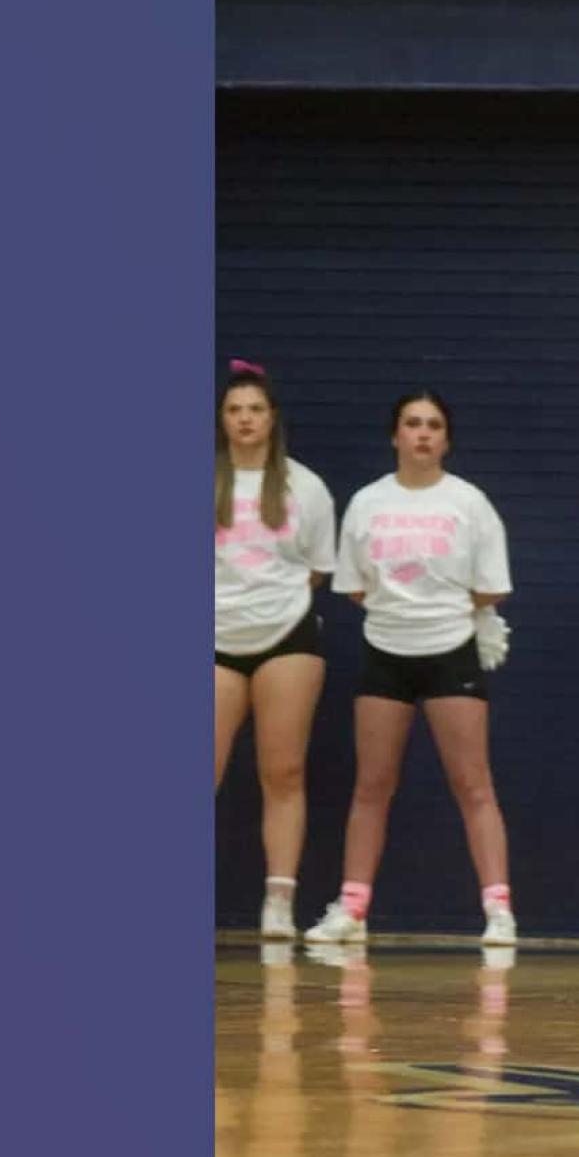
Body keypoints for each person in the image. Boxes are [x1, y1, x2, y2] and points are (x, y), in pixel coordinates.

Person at [306, 391, 520, 946]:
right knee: (372, 785)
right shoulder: (367, 503)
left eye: (433, 425)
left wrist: (439, 610)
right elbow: (353, 586)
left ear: (446, 440)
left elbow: (493, 585)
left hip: (451, 651)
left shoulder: (469, 503)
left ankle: (498, 910)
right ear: (395, 435)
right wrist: (401, 611)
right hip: (386, 652)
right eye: (412, 423)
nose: (422, 433)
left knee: (473, 784)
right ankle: (352, 909)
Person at [213, 360, 337, 940]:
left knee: (282, 771)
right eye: (235, 410)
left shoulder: (303, 486)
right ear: (221, 419)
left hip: (287, 636)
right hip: (215, 640)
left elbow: (318, 569)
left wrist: (271, 607)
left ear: (272, 419)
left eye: (255, 409)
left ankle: (279, 902)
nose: (245, 419)